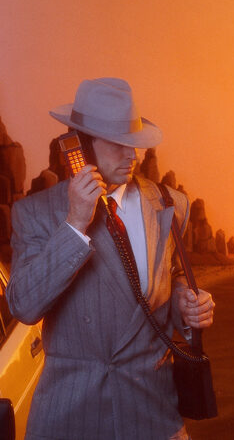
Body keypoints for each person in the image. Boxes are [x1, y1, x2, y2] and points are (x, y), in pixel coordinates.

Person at [7, 77, 214, 440]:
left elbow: (173, 276)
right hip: (71, 415)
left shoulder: (169, 204)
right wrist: (75, 222)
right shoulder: (35, 213)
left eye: (133, 143)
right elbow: (24, 305)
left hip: (153, 411)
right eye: (118, 144)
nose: (132, 155)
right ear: (81, 147)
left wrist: (187, 305)